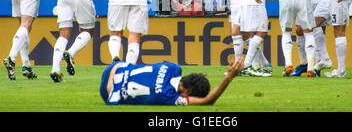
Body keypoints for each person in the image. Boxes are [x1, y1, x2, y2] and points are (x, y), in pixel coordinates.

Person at [100, 57, 245, 105]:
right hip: (109, 92)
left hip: (115, 67)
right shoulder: (168, 96)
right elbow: (207, 101)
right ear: (187, 92)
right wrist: (228, 77)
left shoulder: (173, 67)